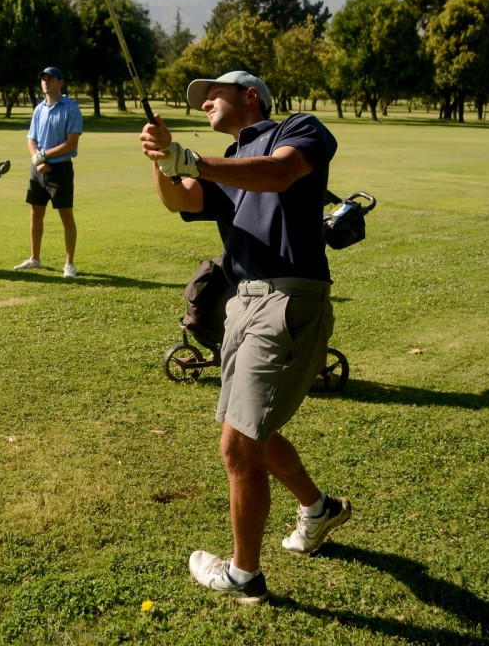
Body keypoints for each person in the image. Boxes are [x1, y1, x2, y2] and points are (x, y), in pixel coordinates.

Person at [139, 70, 349, 605]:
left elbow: (279, 175)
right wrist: (164, 163)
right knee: (251, 429)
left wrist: (191, 160)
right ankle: (319, 508)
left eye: (214, 93)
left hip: (286, 298)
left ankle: (244, 576)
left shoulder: (296, 129)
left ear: (250, 95)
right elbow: (182, 201)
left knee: (238, 442)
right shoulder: (228, 161)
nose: (205, 102)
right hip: (244, 303)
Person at [15, 66, 82, 279]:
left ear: (60, 82)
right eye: (43, 79)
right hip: (38, 168)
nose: (46, 82)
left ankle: (69, 264)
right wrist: (38, 159)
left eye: (51, 79)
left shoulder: (71, 108)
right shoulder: (39, 109)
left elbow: (71, 143)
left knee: (66, 215)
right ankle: (35, 259)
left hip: (60, 169)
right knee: (36, 213)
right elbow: (31, 138)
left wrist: (43, 156)